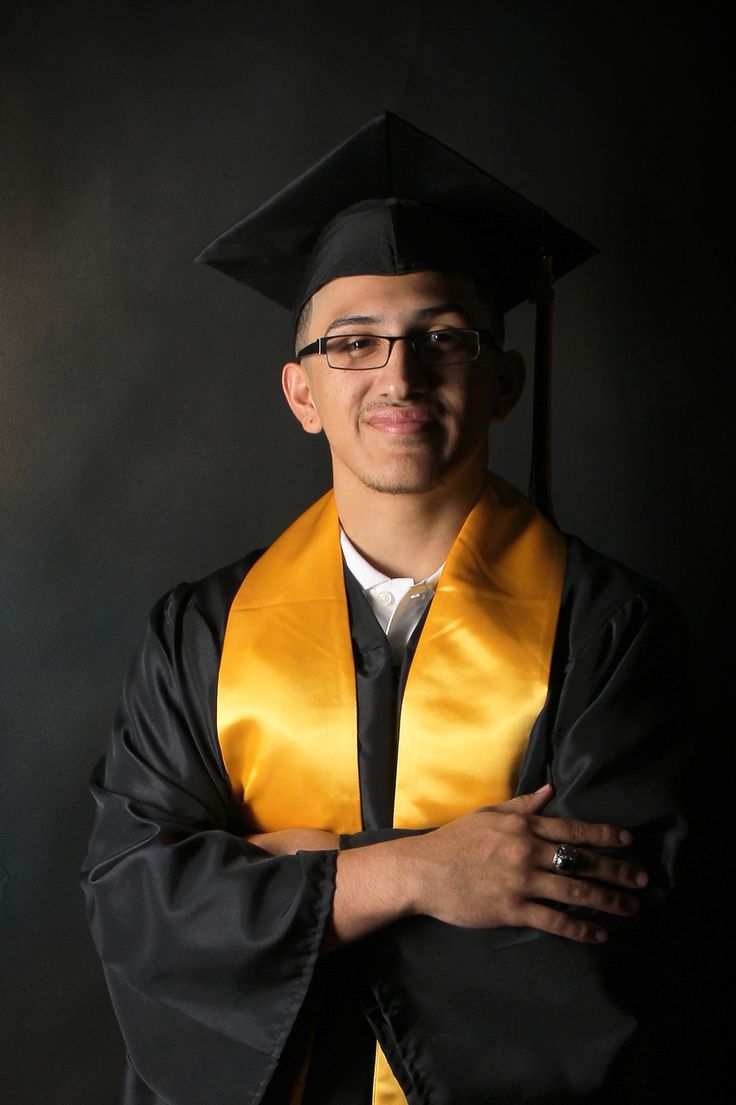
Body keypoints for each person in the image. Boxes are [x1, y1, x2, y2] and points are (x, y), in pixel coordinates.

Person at [82, 113, 687, 1105]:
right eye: (353, 343)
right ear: (301, 392)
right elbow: (138, 906)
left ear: (502, 381)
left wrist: (289, 865)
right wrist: (412, 871)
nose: (398, 375)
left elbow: (607, 922)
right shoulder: (198, 633)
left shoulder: (611, 630)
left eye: (442, 337)